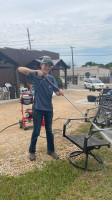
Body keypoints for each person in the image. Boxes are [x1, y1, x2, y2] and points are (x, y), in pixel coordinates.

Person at [18, 56, 64, 161]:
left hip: (49, 109)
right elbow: (20, 69)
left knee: (49, 131)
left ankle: (51, 150)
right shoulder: (35, 76)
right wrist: (35, 72)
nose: (47, 67)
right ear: (41, 65)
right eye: (45, 65)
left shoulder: (52, 79)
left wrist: (60, 92)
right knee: (36, 131)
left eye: (49, 66)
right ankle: (32, 151)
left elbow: (56, 92)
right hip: (38, 108)